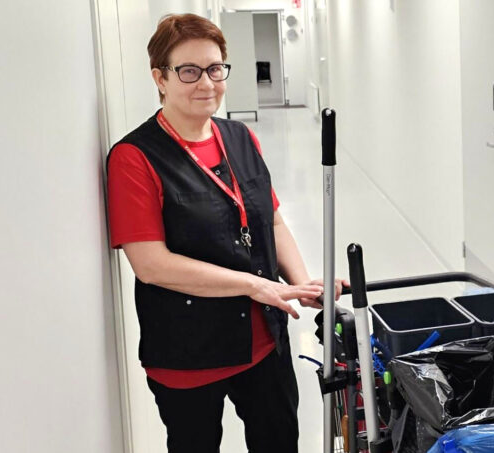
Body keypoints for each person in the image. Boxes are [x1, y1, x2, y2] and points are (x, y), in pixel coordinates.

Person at [106, 13, 345, 453]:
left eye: (215, 69)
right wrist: (256, 285)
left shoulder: (239, 137)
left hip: (264, 343)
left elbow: (271, 221)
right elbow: (152, 265)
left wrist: (300, 283)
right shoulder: (134, 158)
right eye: (189, 71)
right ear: (160, 78)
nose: (207, 83)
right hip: (189, 353)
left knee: (279, 442)